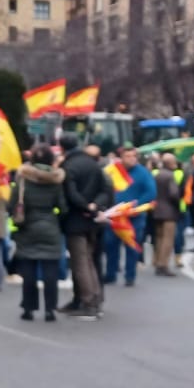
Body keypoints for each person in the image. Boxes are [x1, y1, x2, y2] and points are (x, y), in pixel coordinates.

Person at [11, 147, 67, 322]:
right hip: (50, 226)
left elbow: (12, 204)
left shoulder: (23, 179)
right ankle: (50, 309)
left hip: (27, 227)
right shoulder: (56, 181)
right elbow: (63, 207)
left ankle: (28, 308)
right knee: (50, 271)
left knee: (28, 272)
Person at [59, 134, 110, 319]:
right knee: (89, 260)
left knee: (80, 263)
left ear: (62, 147)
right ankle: (95, 298)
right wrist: (95, 206)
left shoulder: (68, 166)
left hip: (75, 219)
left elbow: (70, 194)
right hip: (93, 220)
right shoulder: (93, 164)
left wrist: (85, 206)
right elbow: (105, 189)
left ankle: (88, 302)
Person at [103, 146, 156, 287]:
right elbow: (104, 188)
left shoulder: (143, 173)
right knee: (110, 246)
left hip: (134, 217)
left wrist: (136, 203)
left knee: (132, 246)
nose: (132, 159)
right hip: (114, 215)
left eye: (134, 156)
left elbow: (151, 192)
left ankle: (130, 276)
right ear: (121, 157)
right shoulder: (112, 171)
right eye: (128, 156)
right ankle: (110, 274)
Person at [151, 154, 182, 277]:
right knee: (168, 239)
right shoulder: (170, 176)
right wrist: (178, 204)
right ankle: (163, 264)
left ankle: (157, 261)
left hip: (157, 210)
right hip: (169, 211)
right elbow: (173, 194)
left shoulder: (156, 174)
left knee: (159, 238)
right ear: (170, 163)